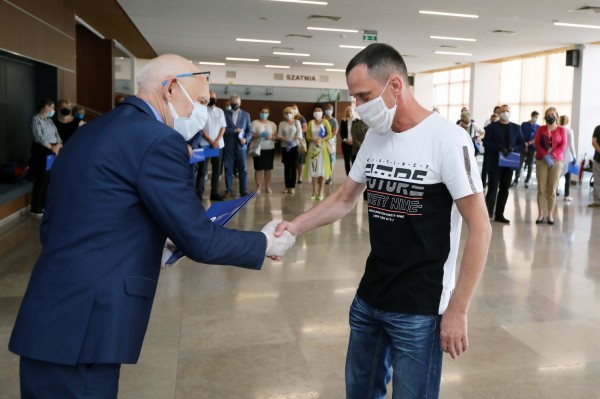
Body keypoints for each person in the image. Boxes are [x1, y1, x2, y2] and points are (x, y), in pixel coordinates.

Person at [9, 54, 295, 398]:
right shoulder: (158, 139)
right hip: (87, 324)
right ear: (171, 88)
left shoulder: (92, 132)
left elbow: (72, 220)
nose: (202, 112)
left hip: (54, 312)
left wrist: (150, 241)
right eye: (201, 101)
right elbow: (200, 240)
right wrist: (263, 244)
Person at [274, 43, 491, 399]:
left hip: (420, 307)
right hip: (370, 297)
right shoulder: (377, 136)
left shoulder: (448, 140)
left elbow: (480, 228)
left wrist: (458, 308)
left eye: (364, 96)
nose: (358, 107)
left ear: (395, 85)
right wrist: (294, 227)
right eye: (354, 98)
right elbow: (344, 198)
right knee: (359, 391)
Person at [482, 104, 524, 224]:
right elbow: (486, 143)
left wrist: (514, 148)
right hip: (495, 163)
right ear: (499, 113)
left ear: (510, 113)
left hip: (509, 163)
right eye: (503, 111)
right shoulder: (492, 127)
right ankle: (487, 213)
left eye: (507, 111)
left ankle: (499, 214)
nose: (505, 113)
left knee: (504, 189)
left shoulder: (516, 128)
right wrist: (500, 148)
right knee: (493, 188)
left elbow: (521, 144)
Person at [29, 99, 62, 217]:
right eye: (52, 107)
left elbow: (57, 136)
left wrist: (57, 146)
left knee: (48, 177)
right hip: (42, 151)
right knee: (41, 177)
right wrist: (52, 148)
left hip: (52, 151)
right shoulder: (36, 119)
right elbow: (39, 138)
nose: (53, 110)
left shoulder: (50, 121)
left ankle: (44, 204)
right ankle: (36, 207)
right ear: (45, 106)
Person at [534, 107, 567, 224]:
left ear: (557, 116)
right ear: (545, 117)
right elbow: (537, 143)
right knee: (541, 189)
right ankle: (540, 214)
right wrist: (544, 155)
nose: (550, 116)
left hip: (556, 161)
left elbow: (563, 145)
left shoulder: (562, 130)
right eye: (548, 114)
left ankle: (550, 214)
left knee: (552, 189)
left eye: (553, 114)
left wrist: (552, 155)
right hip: (541, 160)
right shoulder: (541, 129)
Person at [196, 90, 225, 201]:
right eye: (210, 98)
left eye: (213, 98)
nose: (212, 100)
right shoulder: (201, 111)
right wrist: (210, 140)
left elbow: (223, 127)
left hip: (218, 146)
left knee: (217, 170)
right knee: (202, 171)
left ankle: (214, 192)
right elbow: (201, 128)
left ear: (216, 99)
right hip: (203, 145)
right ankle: (198, 194)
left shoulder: (220, 112)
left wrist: (216, 141)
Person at [223, 94, 252, 197]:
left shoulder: (246, 115)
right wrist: (234, 130)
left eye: (237, 103)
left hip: (241, 146)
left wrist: (246, 139)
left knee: (243, 169)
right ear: (230, 103)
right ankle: (228, 190)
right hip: (229, 145)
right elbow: (223, 130)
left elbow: (250, 131)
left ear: (240, 103)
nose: (235, 104)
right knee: (228, 168)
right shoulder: (225, 114)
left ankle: (243, 190)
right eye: (233, 103)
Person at [303, 106, 332, 201]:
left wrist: (321, 139)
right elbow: (307, 136)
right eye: (315, 111)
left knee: (322, 170)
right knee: (314, 170)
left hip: (322, 149)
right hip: (313, 148)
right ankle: (314, 191)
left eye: (319, 111)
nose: (317, 112)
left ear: (322, 112)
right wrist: (313, 139)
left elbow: (330, 134)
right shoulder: (310, 123)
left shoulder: (325, 122)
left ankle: (321, 191)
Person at [250, 106, 277, 193]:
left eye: (266, 112)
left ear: (268, 114)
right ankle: (258, 187)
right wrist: (259, 135)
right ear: (259, 113)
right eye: (262, 112)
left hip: (269, 148)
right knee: (258, 168)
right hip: (258, 148)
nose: (264, 114)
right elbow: (251, 135)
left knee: (268, 168)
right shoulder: (254, 123)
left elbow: (276, 136)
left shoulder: (272, 124)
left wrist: (271, 137)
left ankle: (267, 187)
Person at [277, 107, 302, 194]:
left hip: (294, 147)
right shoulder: (282, 123)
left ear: (293, 113)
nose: (288, 114)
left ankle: (292, 187)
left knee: (293, 167)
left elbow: (299, 134)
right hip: (285, 147)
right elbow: (279, 135)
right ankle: (287, 186)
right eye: (286, 113)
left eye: (290, 113)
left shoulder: (297, 122)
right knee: (286, 168)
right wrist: (287, 141)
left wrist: (293, 142)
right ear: (284, 114)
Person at [514, 111, 539, 188]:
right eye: (535, 117)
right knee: (519, 164)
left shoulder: (538, 127)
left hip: (532, 148)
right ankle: (515, 180)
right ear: (531, 116)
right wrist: (525, 145)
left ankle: (527, 181)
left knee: (530, 165)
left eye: (537, 117)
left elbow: (537, 138)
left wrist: (529, 144)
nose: (536, 118)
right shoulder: (524, 124)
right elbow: (520, 134)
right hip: (523, 147)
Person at [558, 115, 577, 201]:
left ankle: (555, 191)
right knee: (567, 176)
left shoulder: (556, 129)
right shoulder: (569, 130)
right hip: (566, 156)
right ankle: (566, 195)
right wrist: (574, 156)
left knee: (556, 175)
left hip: (557, 155)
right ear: (567, 121)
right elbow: (571, 145)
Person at [292, 104, 308, 184]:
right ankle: (293, 176)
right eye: (292, 109)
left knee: (300, 161)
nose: (294, 110)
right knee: (293, 160)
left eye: (295, 108)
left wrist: (297, 131)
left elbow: (305, 128)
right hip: (291, 142)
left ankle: (299, 177)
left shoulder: (301, 118)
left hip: (300, 141)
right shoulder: (289, 118)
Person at [323, 103, 338, 185]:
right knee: (322, 159)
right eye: (327, 108)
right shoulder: (322, 119)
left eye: (330, 109)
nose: (328, 110)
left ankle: (329, 177)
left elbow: (334, 132)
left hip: (330, 142)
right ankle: (322, 176)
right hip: (321, 142)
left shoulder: (333, 120)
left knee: (331, 159)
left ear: (332, 111)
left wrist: (326, 138)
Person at [340, 106, 356, 175]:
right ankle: (348, 176)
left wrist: (353, 141)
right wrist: (345, 140)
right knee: (347, 160)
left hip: (354, 144)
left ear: (353, 112)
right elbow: (341, 132)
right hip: (345, 144)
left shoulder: (357, 121)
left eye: (350, 111)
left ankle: (354, 176)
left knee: (354, 161)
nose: (349, 113)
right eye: (347, 111)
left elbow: (358, 133)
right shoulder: (343, 121)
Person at [589, 124, 600, 208]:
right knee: (597, 180)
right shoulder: (598, 128)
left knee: (597, 181)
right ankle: (597, 201)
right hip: (598, 159)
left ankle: (597, 201)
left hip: (597, 158)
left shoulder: (598, 128)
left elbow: (593, 142)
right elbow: (593, 142)